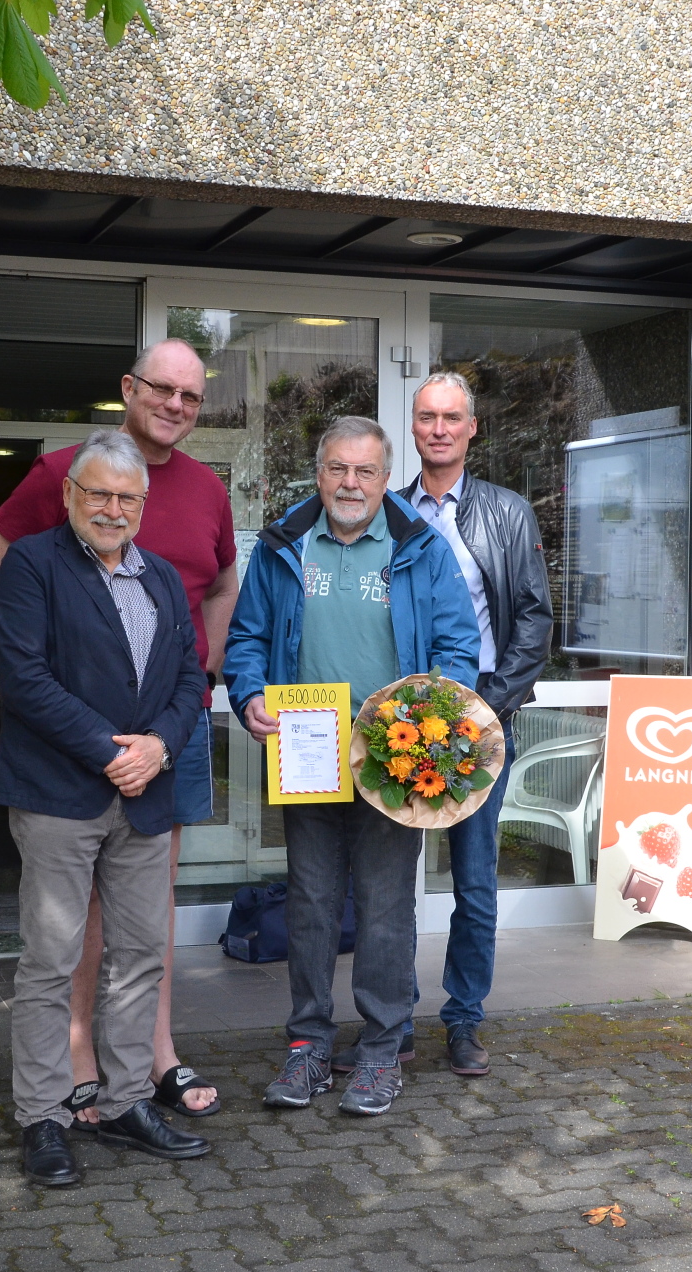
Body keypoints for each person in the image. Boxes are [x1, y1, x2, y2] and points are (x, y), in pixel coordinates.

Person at [0, 337, 236, 1125]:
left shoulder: (209, 489)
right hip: (74, 743)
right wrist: (20, 687)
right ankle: (73, 1058)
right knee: (67, 928)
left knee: (146, 917)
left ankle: (151, 1062)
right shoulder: (61, 475)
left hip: (162, 733)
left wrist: (188, 702)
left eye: (190, 396)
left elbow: (218, 589)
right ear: (127, 388)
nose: (174, 405)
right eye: (161, 389)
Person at [224, 416, 480, 1117]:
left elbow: (458, 648)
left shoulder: (420, 549)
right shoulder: (282, 545)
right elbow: (245, 638)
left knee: (386, 907)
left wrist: (430, 719)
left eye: (366, 471)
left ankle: (381, 1048)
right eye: (338, 468)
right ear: (319, 473)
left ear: (384, 475)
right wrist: (247, 695)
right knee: (308, 903)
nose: (350, 483)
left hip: (393, 762)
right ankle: (307, 1046)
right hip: (307, 755)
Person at [0, 429, 211, 1187]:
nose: (113, 509)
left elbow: (190, 677)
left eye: (127, 498)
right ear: (72, 496)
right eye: (100, 494)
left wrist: (159, 748)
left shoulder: (162, 580)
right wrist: (110, 750)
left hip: (146, 795)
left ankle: (122, 1103)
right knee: (50, 961)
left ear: (143, 506)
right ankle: (44, 1116)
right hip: (61, 794)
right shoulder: (31, 564)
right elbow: (23, 678)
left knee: (139, 955)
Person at [387, 371, 554, 1079]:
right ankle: (389, 1019)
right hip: (397, 726)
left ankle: (463, 1019)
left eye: (452, 417)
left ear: (472, 428)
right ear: (414, 426)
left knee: (474, 881)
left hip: (481, 723)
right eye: (427, 416)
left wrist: (489, 704)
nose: (439, 429)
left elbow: (535, 620)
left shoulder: (507, 513)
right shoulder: (387, 512)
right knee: (388, 884)